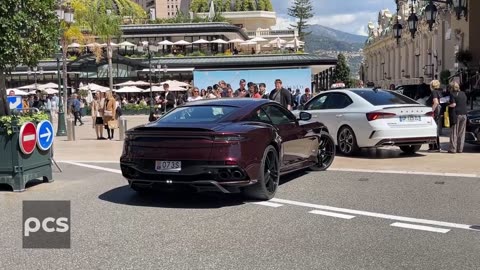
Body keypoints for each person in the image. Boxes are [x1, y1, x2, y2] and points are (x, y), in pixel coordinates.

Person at [448, 82, 468, 153]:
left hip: (456, 114)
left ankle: (452, 149)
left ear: (451, 88)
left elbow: (453, 104)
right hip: (464, 114)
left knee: (454, 132)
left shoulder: (452, 94)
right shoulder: (463, 93)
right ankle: (460, 149)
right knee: (461, 133)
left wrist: (448, 105)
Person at [426, 80, 443, 151]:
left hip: (434, 113)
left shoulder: (434, 92)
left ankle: (433, 146)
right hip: (439, 113)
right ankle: (437, 146)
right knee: (436, 130)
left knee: (432, 130)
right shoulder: (440, 92)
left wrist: (431, 110)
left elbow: (436, 102)